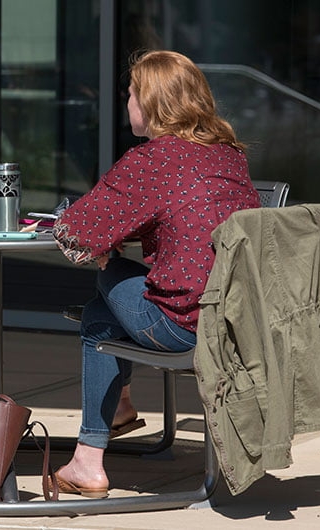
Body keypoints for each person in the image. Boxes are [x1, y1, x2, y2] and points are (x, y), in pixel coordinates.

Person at [51, 50, 261, 498]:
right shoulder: (228, 156)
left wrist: (104, 247)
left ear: (150, 102)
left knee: (107, 281)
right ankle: (94, 450)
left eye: (131, 93)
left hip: (184, 326)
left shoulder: (153, 159)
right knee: (99, 317)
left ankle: (97, 447)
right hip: (237, 321)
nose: (127, 102)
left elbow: (75, 231)